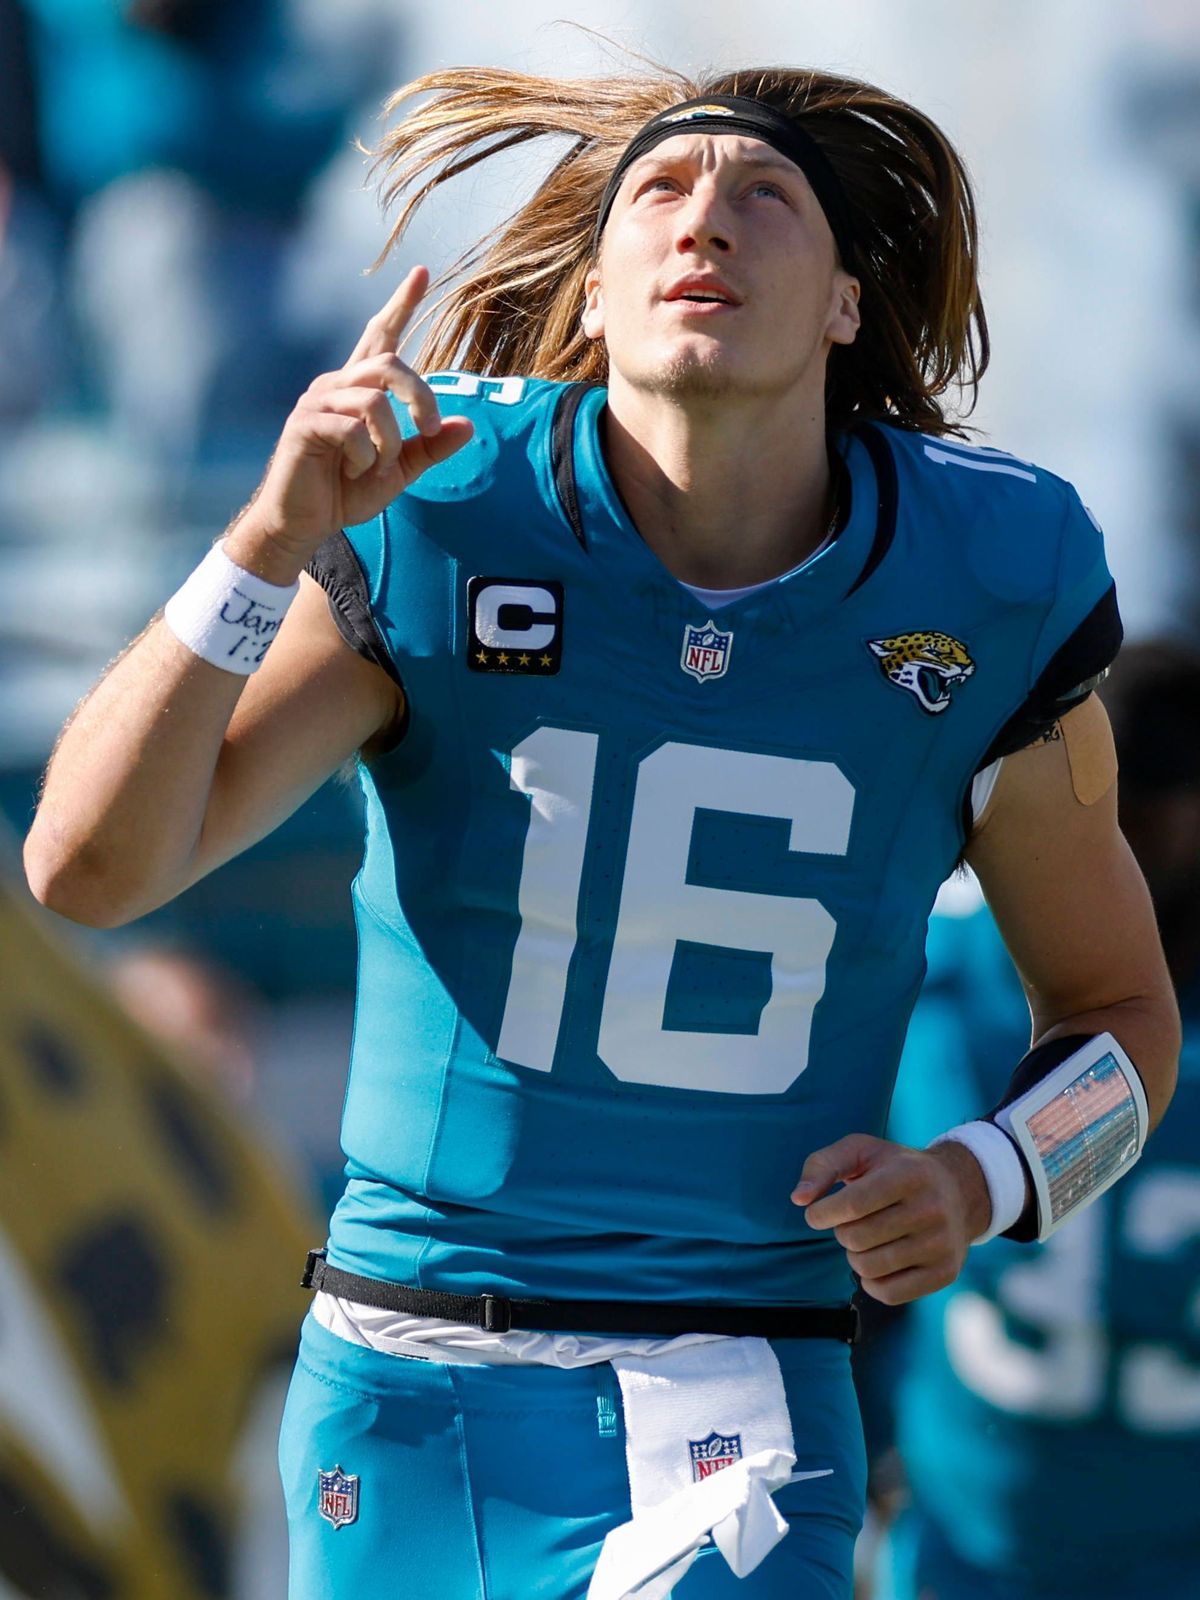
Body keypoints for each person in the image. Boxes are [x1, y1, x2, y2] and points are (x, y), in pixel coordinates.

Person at [22, 59, 1180, 1600]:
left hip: (739, 1374)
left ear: (845, 304)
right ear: (601, 285)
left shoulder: (980, 582)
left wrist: (981, 1173)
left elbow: (1121, 1020)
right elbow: (87, 872)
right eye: (662, 193)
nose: (707, 219)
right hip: (406, 1366)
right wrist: (261, 541)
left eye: (765, 195)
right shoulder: (441, 512)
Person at [873, 641, 1200, 1600]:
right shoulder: (930, 974)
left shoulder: (944, 977)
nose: (1127, 869)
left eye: (1148, 823)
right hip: (962, 1547)